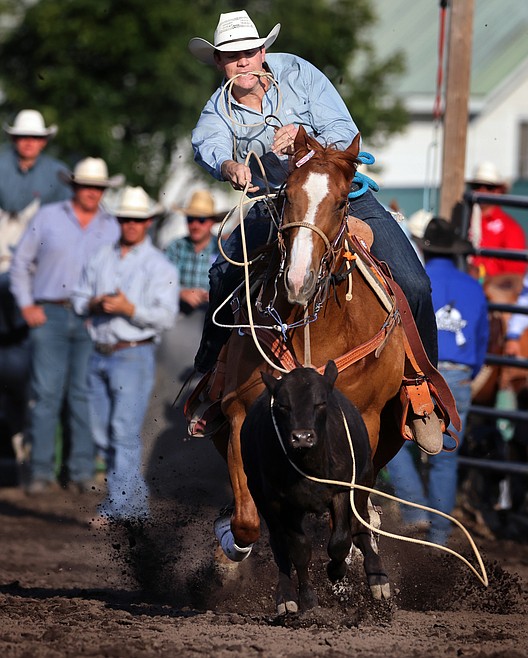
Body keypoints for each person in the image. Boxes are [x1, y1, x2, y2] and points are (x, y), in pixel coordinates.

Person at [187, 10, 440, 452]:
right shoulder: (219, 108)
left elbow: (345, 130)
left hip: (341, 195)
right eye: (231, 57)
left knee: (414, 282)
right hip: (278, 202)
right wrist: (229, 164)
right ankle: (213, 378)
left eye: (249, 52)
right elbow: (206, 143)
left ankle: (422, 392)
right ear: (219, 63)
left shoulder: (300, 73)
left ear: (262, 52)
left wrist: (303, 138)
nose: (242, 62)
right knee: (223, 274)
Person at [10, 157, 124, 494]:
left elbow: (119, 273)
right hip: (50, 313)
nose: (91, 192)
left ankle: (79, 470)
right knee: (47, 393)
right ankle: (41, 471)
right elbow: (20, 264)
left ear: (103, 190)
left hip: (91, 318)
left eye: (97, 187)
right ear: (74, 186)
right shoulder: (47, 217)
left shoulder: (112, 226)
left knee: (83, 394)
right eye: (86, 186)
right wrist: (27, 304)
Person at [72, 186, 179, 524]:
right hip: (101, 351)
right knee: (103, 431)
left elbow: (165, 316)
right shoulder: (101, 257)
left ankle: (123, 505)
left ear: (147, 222)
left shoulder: (159, 266)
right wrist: (93, 302)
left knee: (121, 430)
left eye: (137, 219)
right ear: (119, 220)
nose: (131, 224)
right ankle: (131, 502)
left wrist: (128, 308)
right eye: (126, 219)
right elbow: (77, 297)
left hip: (134, 353)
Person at [386, 217, 489, 545]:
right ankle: (440, 535)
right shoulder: (473, 286)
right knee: (446, 457)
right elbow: (483, 337)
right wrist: (469, 375)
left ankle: (415, 510)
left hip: (419, 367)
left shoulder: (415, 279)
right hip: (457, 374)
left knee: (396, 438)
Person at [0, 110, 72, 460]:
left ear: (43, 141)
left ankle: (44, 448)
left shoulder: (58, 174)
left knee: (44, 359)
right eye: (22, 137)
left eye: (34, 137)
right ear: (15, 139)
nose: (28, 143)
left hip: (37, 274)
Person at [467, 161, 527, 281]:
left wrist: (482, 276)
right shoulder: (462, 220)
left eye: (489, 187)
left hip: (491, 293)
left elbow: (515, 276)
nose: (482, 191)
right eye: (477, 186)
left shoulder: (511, 228)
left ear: (500, 190)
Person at [165, 189, 222, 314]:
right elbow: (161, 282)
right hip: (178, 312)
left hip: (213, 315)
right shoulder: (175, 247)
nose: (195, 225)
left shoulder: (222, 250)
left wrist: (216, 294)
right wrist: (180, 292)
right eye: (190, 219)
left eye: (201, 220)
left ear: (212, 222)